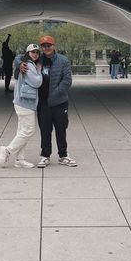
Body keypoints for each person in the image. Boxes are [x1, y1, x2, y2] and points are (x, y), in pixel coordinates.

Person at [18, 35, 77, 168]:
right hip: (43, 103)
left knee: (61, 129)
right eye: (43, 46)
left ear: (53, 46)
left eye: (48, 45)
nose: (46, 48)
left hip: (59, 102)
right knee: (45, 130)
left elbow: (67, 80)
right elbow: (19, 58)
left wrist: (56, 94)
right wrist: (19, 64)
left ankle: (63, 155)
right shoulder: (38, 59)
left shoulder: (63, 60)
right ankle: (45, 155)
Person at [0, 44, 42, 169]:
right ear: (28, 53)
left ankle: (19, 159)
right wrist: (39, 71)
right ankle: (8, 150)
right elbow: (37, 82)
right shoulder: (28, 65)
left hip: (22, 103)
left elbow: (17, 57)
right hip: (25, 103)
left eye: (37, 52)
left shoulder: (25, 63)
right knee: (29, 131)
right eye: (32, 52)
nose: (35, 54)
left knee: (22, 131)